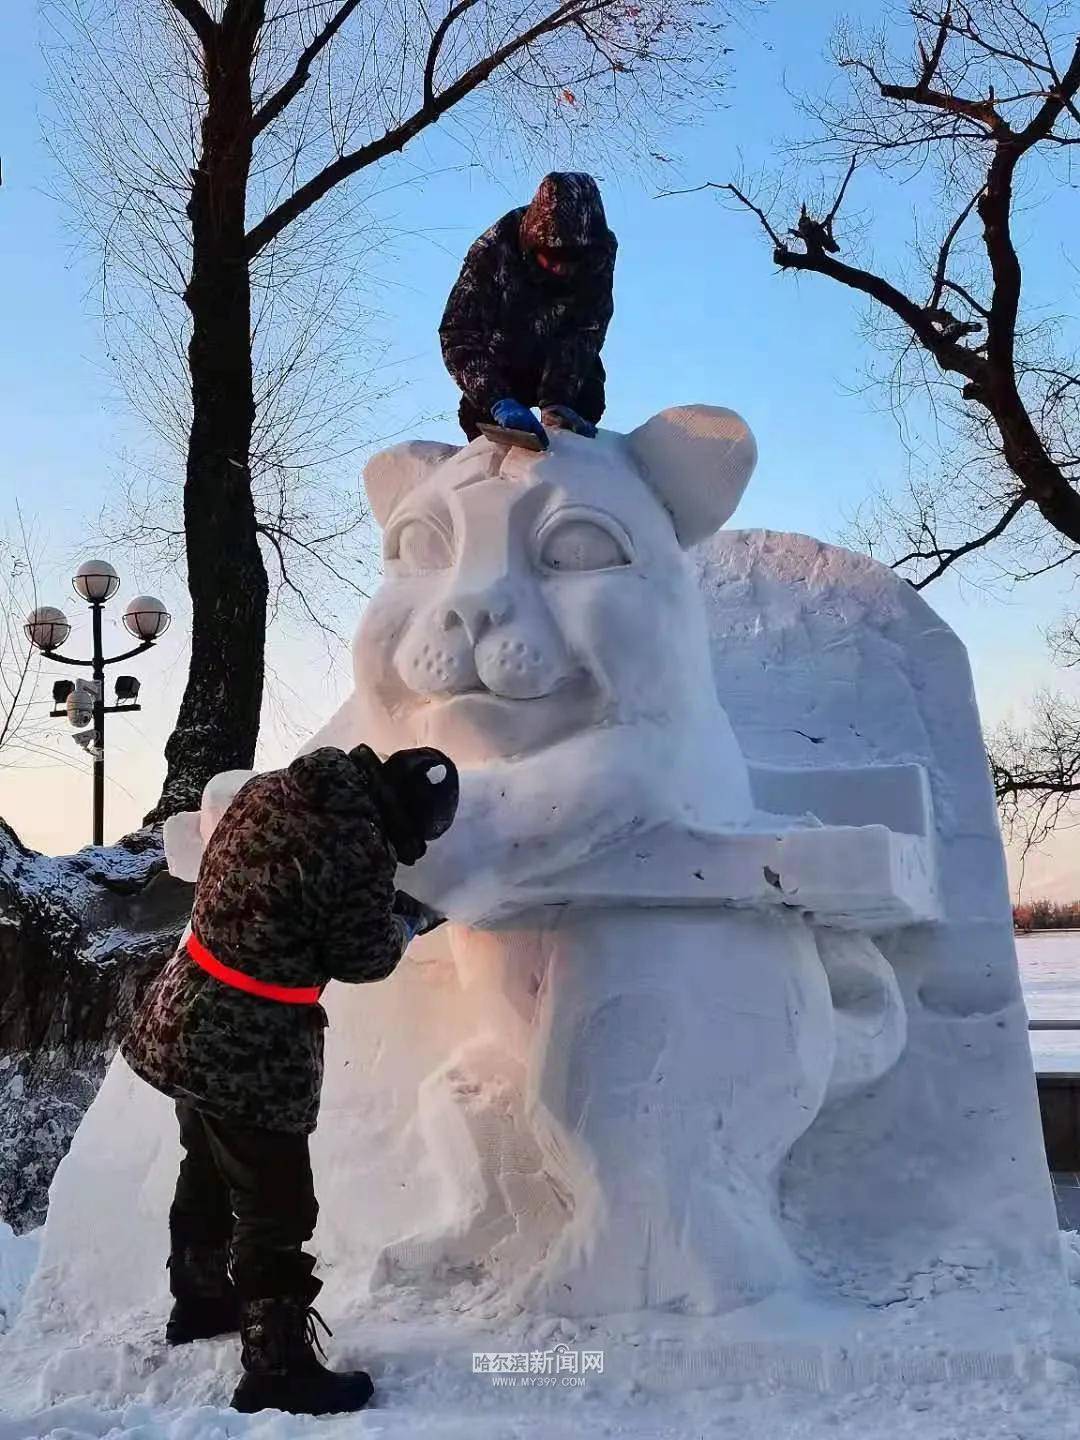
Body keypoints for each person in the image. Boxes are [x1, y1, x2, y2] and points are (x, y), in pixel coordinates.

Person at [121, 743, 458, 1417]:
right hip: (249, 1042)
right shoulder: (358, 846)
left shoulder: (276, 787)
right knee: (277, 1205)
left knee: (209, 1164)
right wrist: (406, 922)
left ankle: (201, 1298)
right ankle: (276, 1366)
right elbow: (362, 956)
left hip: (186, 1004)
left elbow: (282, 879)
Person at [440, 171, 617, 449]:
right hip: (503, 354)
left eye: (572, 259)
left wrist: (558, 397)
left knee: (586, 402)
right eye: (553, 257)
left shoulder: (598, 255)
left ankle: (575, 472)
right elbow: (459, 333)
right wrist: (495, 398)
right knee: (482, 423)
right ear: (534, 245)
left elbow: (587, 329)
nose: (561, 268)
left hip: (558, 353)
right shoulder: (493, 251)